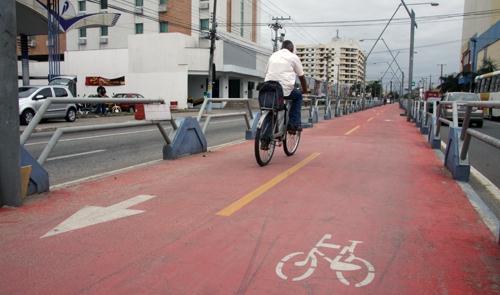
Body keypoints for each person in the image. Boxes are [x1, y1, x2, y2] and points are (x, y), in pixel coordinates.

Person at [264, 40, 308, 132]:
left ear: (281, 47)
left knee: (270, 107)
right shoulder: (293, 57)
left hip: (268, 87)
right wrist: (305, 90)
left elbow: (266, 72)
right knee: (298, 96)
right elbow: (302, 77)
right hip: (284, 89)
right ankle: (293, 125)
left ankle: (265, 141)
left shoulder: (273, 55)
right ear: (291, 49)